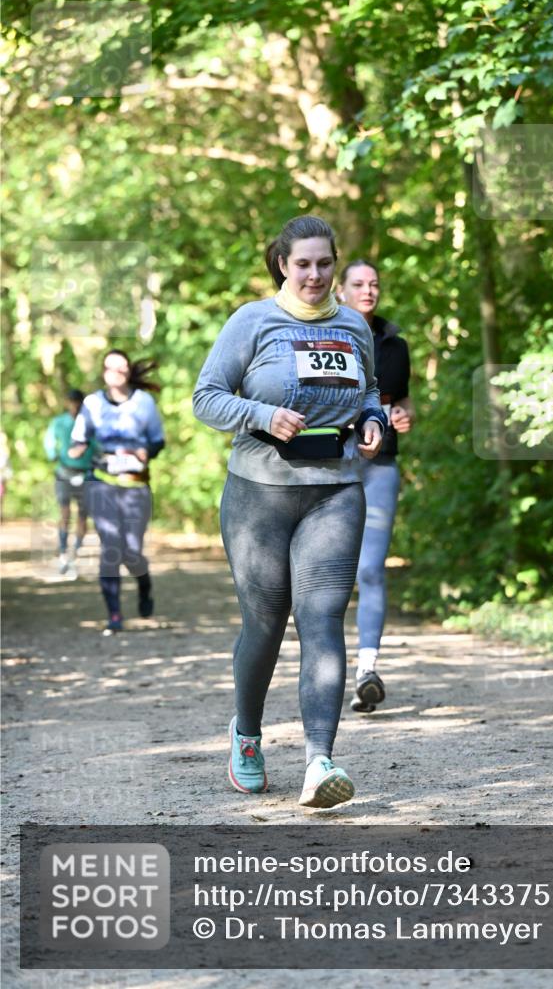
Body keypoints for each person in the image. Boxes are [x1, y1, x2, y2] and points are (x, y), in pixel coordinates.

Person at [193, 215, 386, 809]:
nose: (315, 274)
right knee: (266, 622)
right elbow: (207, 397)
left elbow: (371, 390)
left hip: (335, 489)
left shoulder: (355, 325)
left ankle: (318, 760)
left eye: (325, 263)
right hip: (259, 493)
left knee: (323, 618)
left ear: (336, 264)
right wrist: (261, 415)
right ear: (283, 263)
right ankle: (246, 735)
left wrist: (373, 420)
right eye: (302, 263)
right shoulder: (252, 321)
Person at [337, 260, 414, 713]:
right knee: (332, 573)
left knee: (370, 569)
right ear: (341, 290)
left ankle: (367, 668)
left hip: (381, 464)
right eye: (359, 284)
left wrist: (405, 417)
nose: (369, 291)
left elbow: (401, 402)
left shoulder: (395, 345)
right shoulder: (327, 337)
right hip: (333, 465)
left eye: (375, 285)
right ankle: (324, 670)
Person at [68, 349, 165, 634]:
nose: (116, 374)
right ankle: (114, 615)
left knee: (132, 552)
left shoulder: (144, 403)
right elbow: (78, 439)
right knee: (110, 547)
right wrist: (78, 450)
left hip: (135, 484)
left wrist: (143, 452)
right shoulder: (93, 403)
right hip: (101, 482)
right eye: (110, 369)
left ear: (128, 372)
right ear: (104, 373)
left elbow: (158, 442)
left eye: (121, 368)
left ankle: (143, 583)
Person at [43, 389, 95, 575]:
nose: (74, 406)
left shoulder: (90, 424)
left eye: (77, 402)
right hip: (64, 472)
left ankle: (76, 551)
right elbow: (49, 440)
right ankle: (64, 550)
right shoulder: (59, 422)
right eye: (71, 402)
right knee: (64, 512)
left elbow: (98, 445)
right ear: (67, 403)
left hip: (86, 473)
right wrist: (52, 454)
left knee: (82, 515)